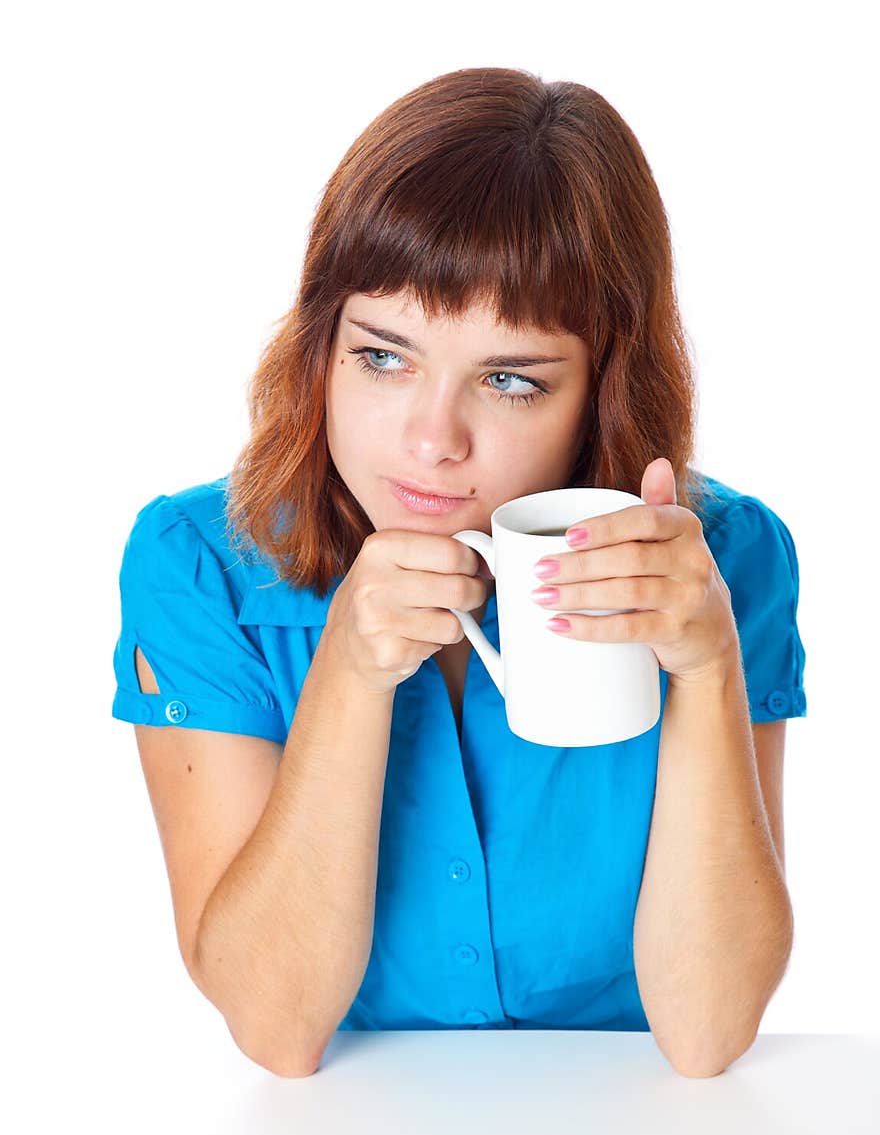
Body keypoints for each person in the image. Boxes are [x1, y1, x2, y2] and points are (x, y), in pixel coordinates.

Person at [111, 68, 807, 1080]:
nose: (432, 441)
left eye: (511, 380)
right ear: (320, 349)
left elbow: (706, 1037)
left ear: (603, 394)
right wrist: (348, 674)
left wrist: (704, 667)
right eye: (384, 359)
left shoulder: (725, 558)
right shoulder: (201, 564)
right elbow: (275, 1028)